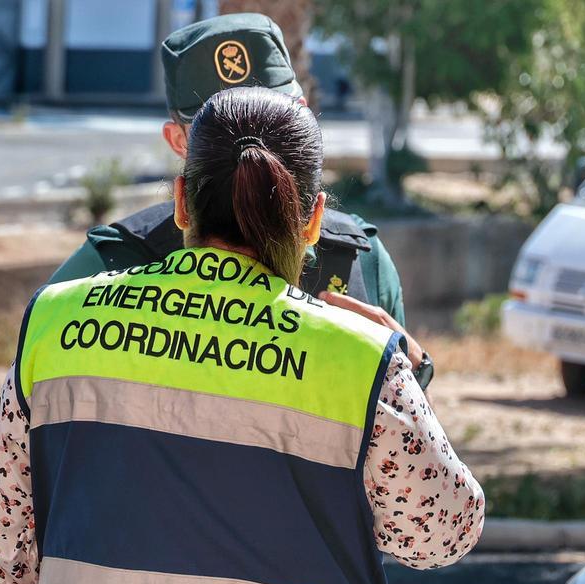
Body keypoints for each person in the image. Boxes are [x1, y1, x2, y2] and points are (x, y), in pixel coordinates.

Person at [0, 86, 484, 584]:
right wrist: (401, 361)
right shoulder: (358, 354)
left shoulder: (57, 321)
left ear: (182, 202)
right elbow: (441, 532)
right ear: (312, 219)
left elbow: (3, 544)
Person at [50, 13, 436, 390]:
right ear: (178, 141)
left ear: (304, 115)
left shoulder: (359, 260)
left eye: (274, 116)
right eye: (216, 124)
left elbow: (398, 437)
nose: (251, 140)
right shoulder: (112, 261)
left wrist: (413, 370)